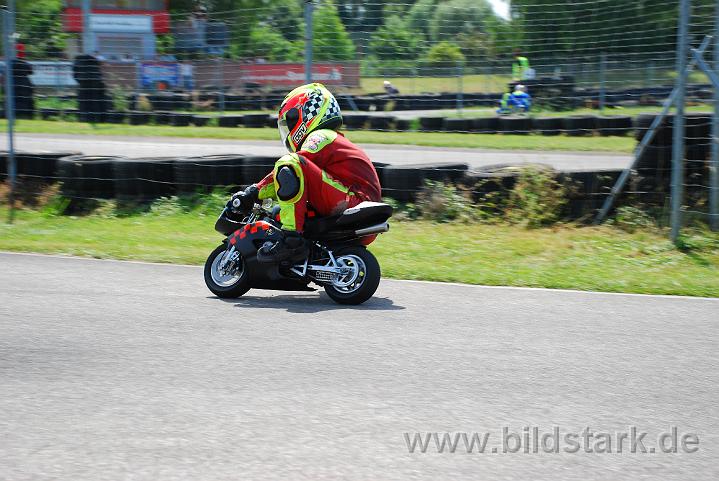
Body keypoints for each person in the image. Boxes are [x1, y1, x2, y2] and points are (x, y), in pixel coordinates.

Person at [230, 83, 382, 263]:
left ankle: (291, 241)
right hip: (353, 203)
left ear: (309, 112)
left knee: (289, 163)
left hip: (354, 201)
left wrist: (254, 192)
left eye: (291, 121)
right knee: (278, 212)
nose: (289, 129)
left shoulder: (322, 135)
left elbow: (296, 163)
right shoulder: (334, 140)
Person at [72, 52, 108, 123]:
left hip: (84, 84)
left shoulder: (78, 62)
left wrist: (80, 81)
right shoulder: (93, 61)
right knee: (97, 102)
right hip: (95, 84)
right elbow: (99, 74)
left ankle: (84, 118)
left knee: (84, 103)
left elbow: (75, 75)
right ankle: (99, 119)